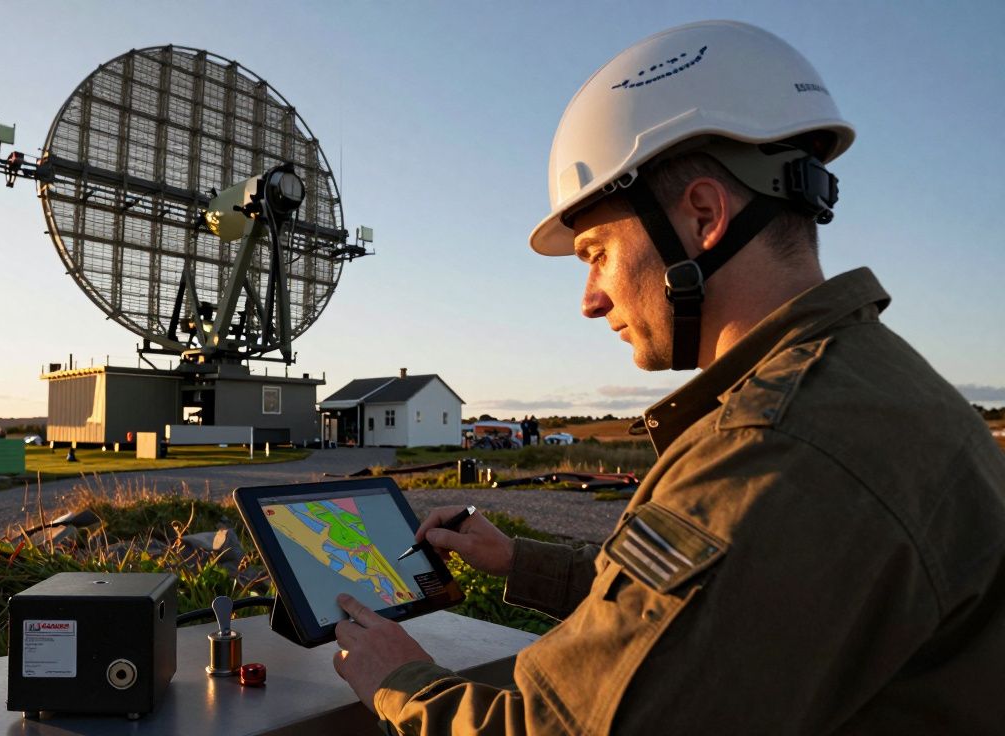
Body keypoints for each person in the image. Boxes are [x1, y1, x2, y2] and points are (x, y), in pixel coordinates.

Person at [332, 20, 1005, 734]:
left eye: (595, 252)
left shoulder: (776, 451)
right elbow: (723, 607)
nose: (590, 300)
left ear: (704, 217)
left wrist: (400, 680)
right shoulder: (865, 385)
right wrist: (518, 562)